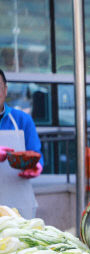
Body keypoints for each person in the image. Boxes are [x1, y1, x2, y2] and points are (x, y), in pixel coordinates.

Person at [0, 68, 44, 219]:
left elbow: (36, 152)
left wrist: (36, 165)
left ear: (5, 90)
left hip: (19, 201)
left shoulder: (22, 119)